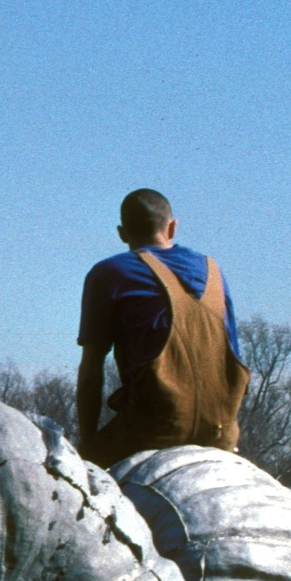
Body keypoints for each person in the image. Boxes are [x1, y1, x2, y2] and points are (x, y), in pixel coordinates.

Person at [75, 188, 249, 465]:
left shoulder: (109, 273)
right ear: (172, 227)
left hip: (151, 434)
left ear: (122, 233)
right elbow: (234, 356)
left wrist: (86, 443)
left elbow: (91, 369)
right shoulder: (214, 270)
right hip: (222, 434)